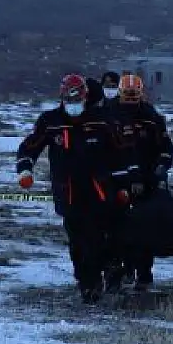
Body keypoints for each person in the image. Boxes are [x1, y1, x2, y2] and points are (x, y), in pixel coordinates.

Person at [16, 73, 131, 303]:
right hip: (67, 191)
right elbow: (30, 147)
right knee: (77, 241)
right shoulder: (51, 121)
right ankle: (87, 284)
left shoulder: (102, 120)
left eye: (77, 100)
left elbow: (121, 154)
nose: (73, 105)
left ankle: (110, 272)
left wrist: (123, 185)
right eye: (69, 100)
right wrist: (25, 169)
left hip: (99, 190)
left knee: (101, 236)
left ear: (86, 97)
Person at [109, 72, 173, 290]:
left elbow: (166, 147)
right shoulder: (107, 113)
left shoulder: (151, 116)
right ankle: (120, 271)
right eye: (126, 94)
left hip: (147, 182)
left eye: (134, 95)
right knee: (115, 229)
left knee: (146, 229)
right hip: (115, 180)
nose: (130, 99)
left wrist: (162, 167)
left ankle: (144, 274)